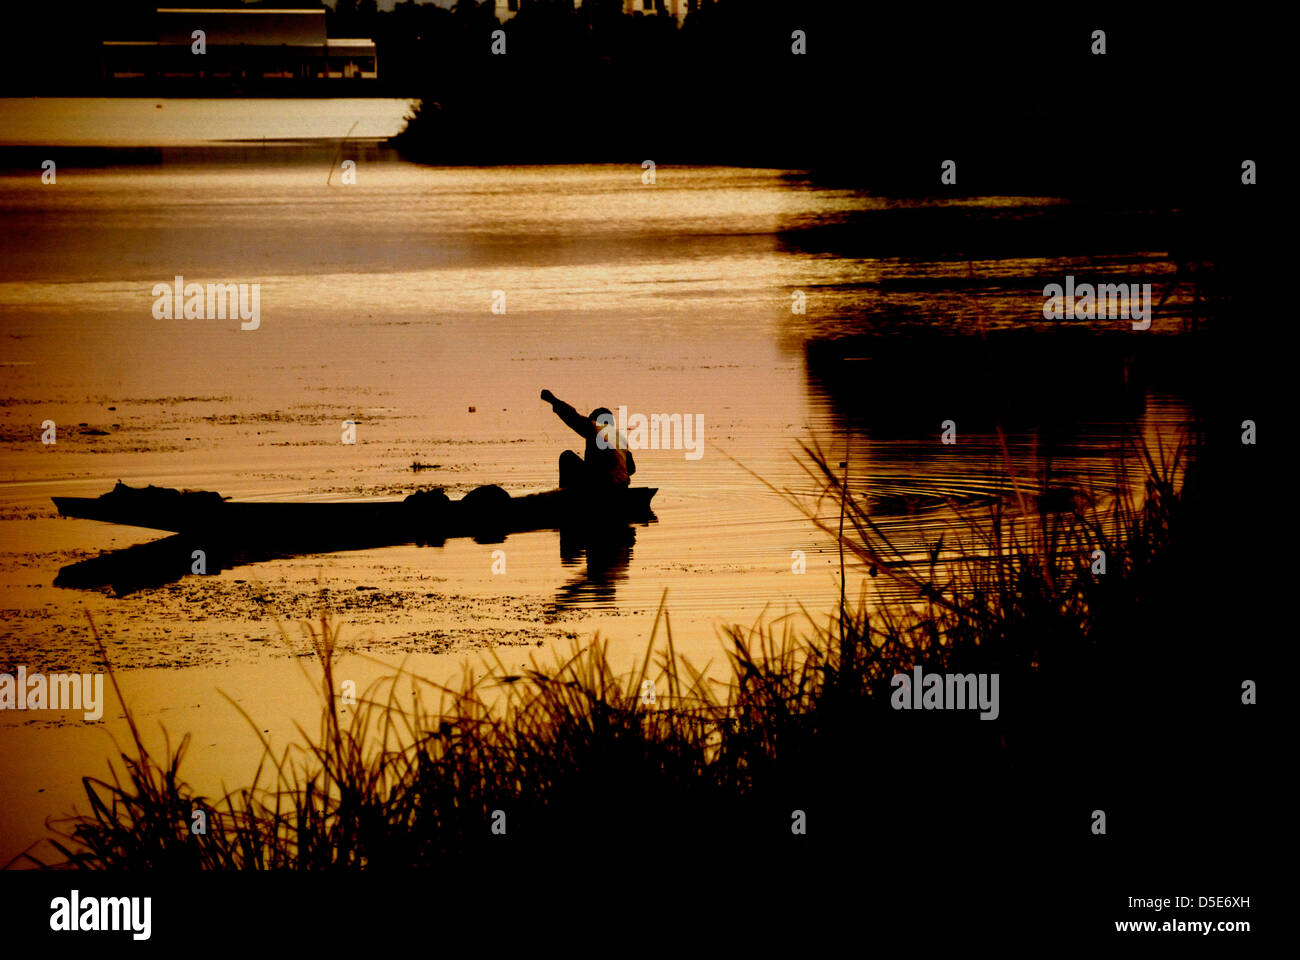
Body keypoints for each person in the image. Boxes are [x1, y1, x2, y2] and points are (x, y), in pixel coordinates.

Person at [541, 389, 635, 490]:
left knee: (567, 456)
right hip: (621, 486)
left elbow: (572, 417)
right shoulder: (620, 440)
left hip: (601, 484)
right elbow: (631, 469)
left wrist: (553, 400)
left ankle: (564, 495)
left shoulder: (595, 427)